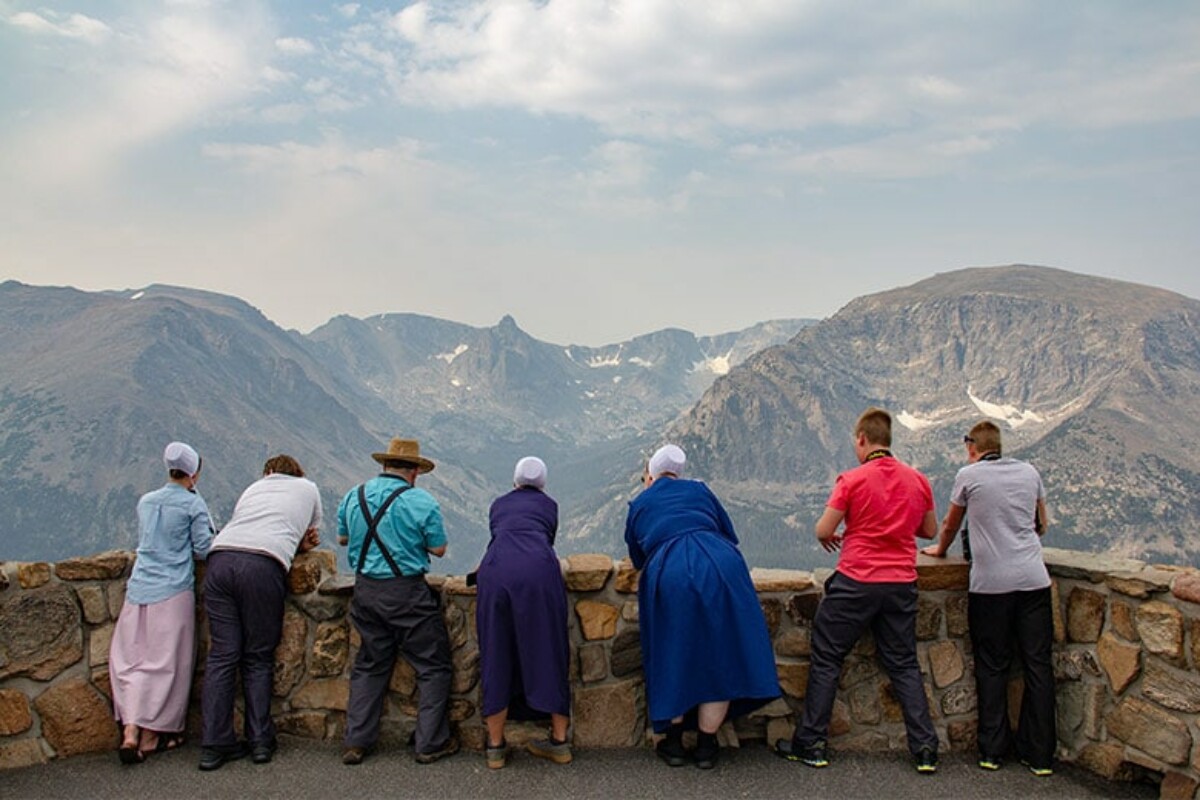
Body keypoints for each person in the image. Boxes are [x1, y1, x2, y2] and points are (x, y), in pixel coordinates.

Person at [775, 407, 940, 773]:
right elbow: (929, 530)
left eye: (855, 441)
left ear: (862, 439)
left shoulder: (852, 479)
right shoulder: (917, 480)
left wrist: (839, 534)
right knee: (903, 663)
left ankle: (811, 743)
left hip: (857, 580)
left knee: (828, 656)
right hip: (900, 583)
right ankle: (925, 749)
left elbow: (822, 529)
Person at [625, 444, 780, 770]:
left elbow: (639, 556)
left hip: (671, 571)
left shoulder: (641, 502)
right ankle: (708, 747)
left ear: (650, 474)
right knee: (720, 655)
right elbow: (728, 533)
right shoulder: (699, 490)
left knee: (674, 655)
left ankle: (675, 743)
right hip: (721, 565)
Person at [921, 420, 1055, 776]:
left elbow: (949, 524)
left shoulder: (968, 475)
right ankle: (1040, 755)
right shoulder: (1030, 472)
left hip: (991, 586)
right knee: (1038, 666)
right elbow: (1041, 523)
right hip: (1033, 581)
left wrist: (940, 550)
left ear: (971, 446)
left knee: (992, 666)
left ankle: (992, 751)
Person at [198, 454, 322, 771]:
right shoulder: (308, 489)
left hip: (221, 559)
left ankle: (214, 744)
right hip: (262, 565)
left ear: (268, 472)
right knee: (257, 655)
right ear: (298, 472)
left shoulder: (253, 488)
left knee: (223, 655)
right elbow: (309, 536)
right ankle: (260, 741)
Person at [338, 437, 457, 766]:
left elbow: (343, 538)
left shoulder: (355, 495)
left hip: (365, 590)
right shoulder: (421, 502)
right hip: (406, 592)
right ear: (416, 471)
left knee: (370, 663)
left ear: (385, 465)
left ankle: (356, 741)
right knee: (433, 665)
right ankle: (430, 742)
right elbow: (439, 549)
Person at [110, 442, 214, 763]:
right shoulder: (192, 505)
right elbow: (203, 548)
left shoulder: (146, 501)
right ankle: (153, 734)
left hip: (139, 588)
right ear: (193, 473)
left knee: (131, 660)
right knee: (167, 663)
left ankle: (130, 729)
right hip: (173, 590)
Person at [474, 456, 571, 769]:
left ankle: (495, 747)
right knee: (550, 650)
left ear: (515, 481)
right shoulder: (550, 506)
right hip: (539, 575)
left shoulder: (498, 505)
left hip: (496, 573)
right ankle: (559, 742)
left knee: (496, 653)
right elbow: (546, 539)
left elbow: (498, 535)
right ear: (542, 484)